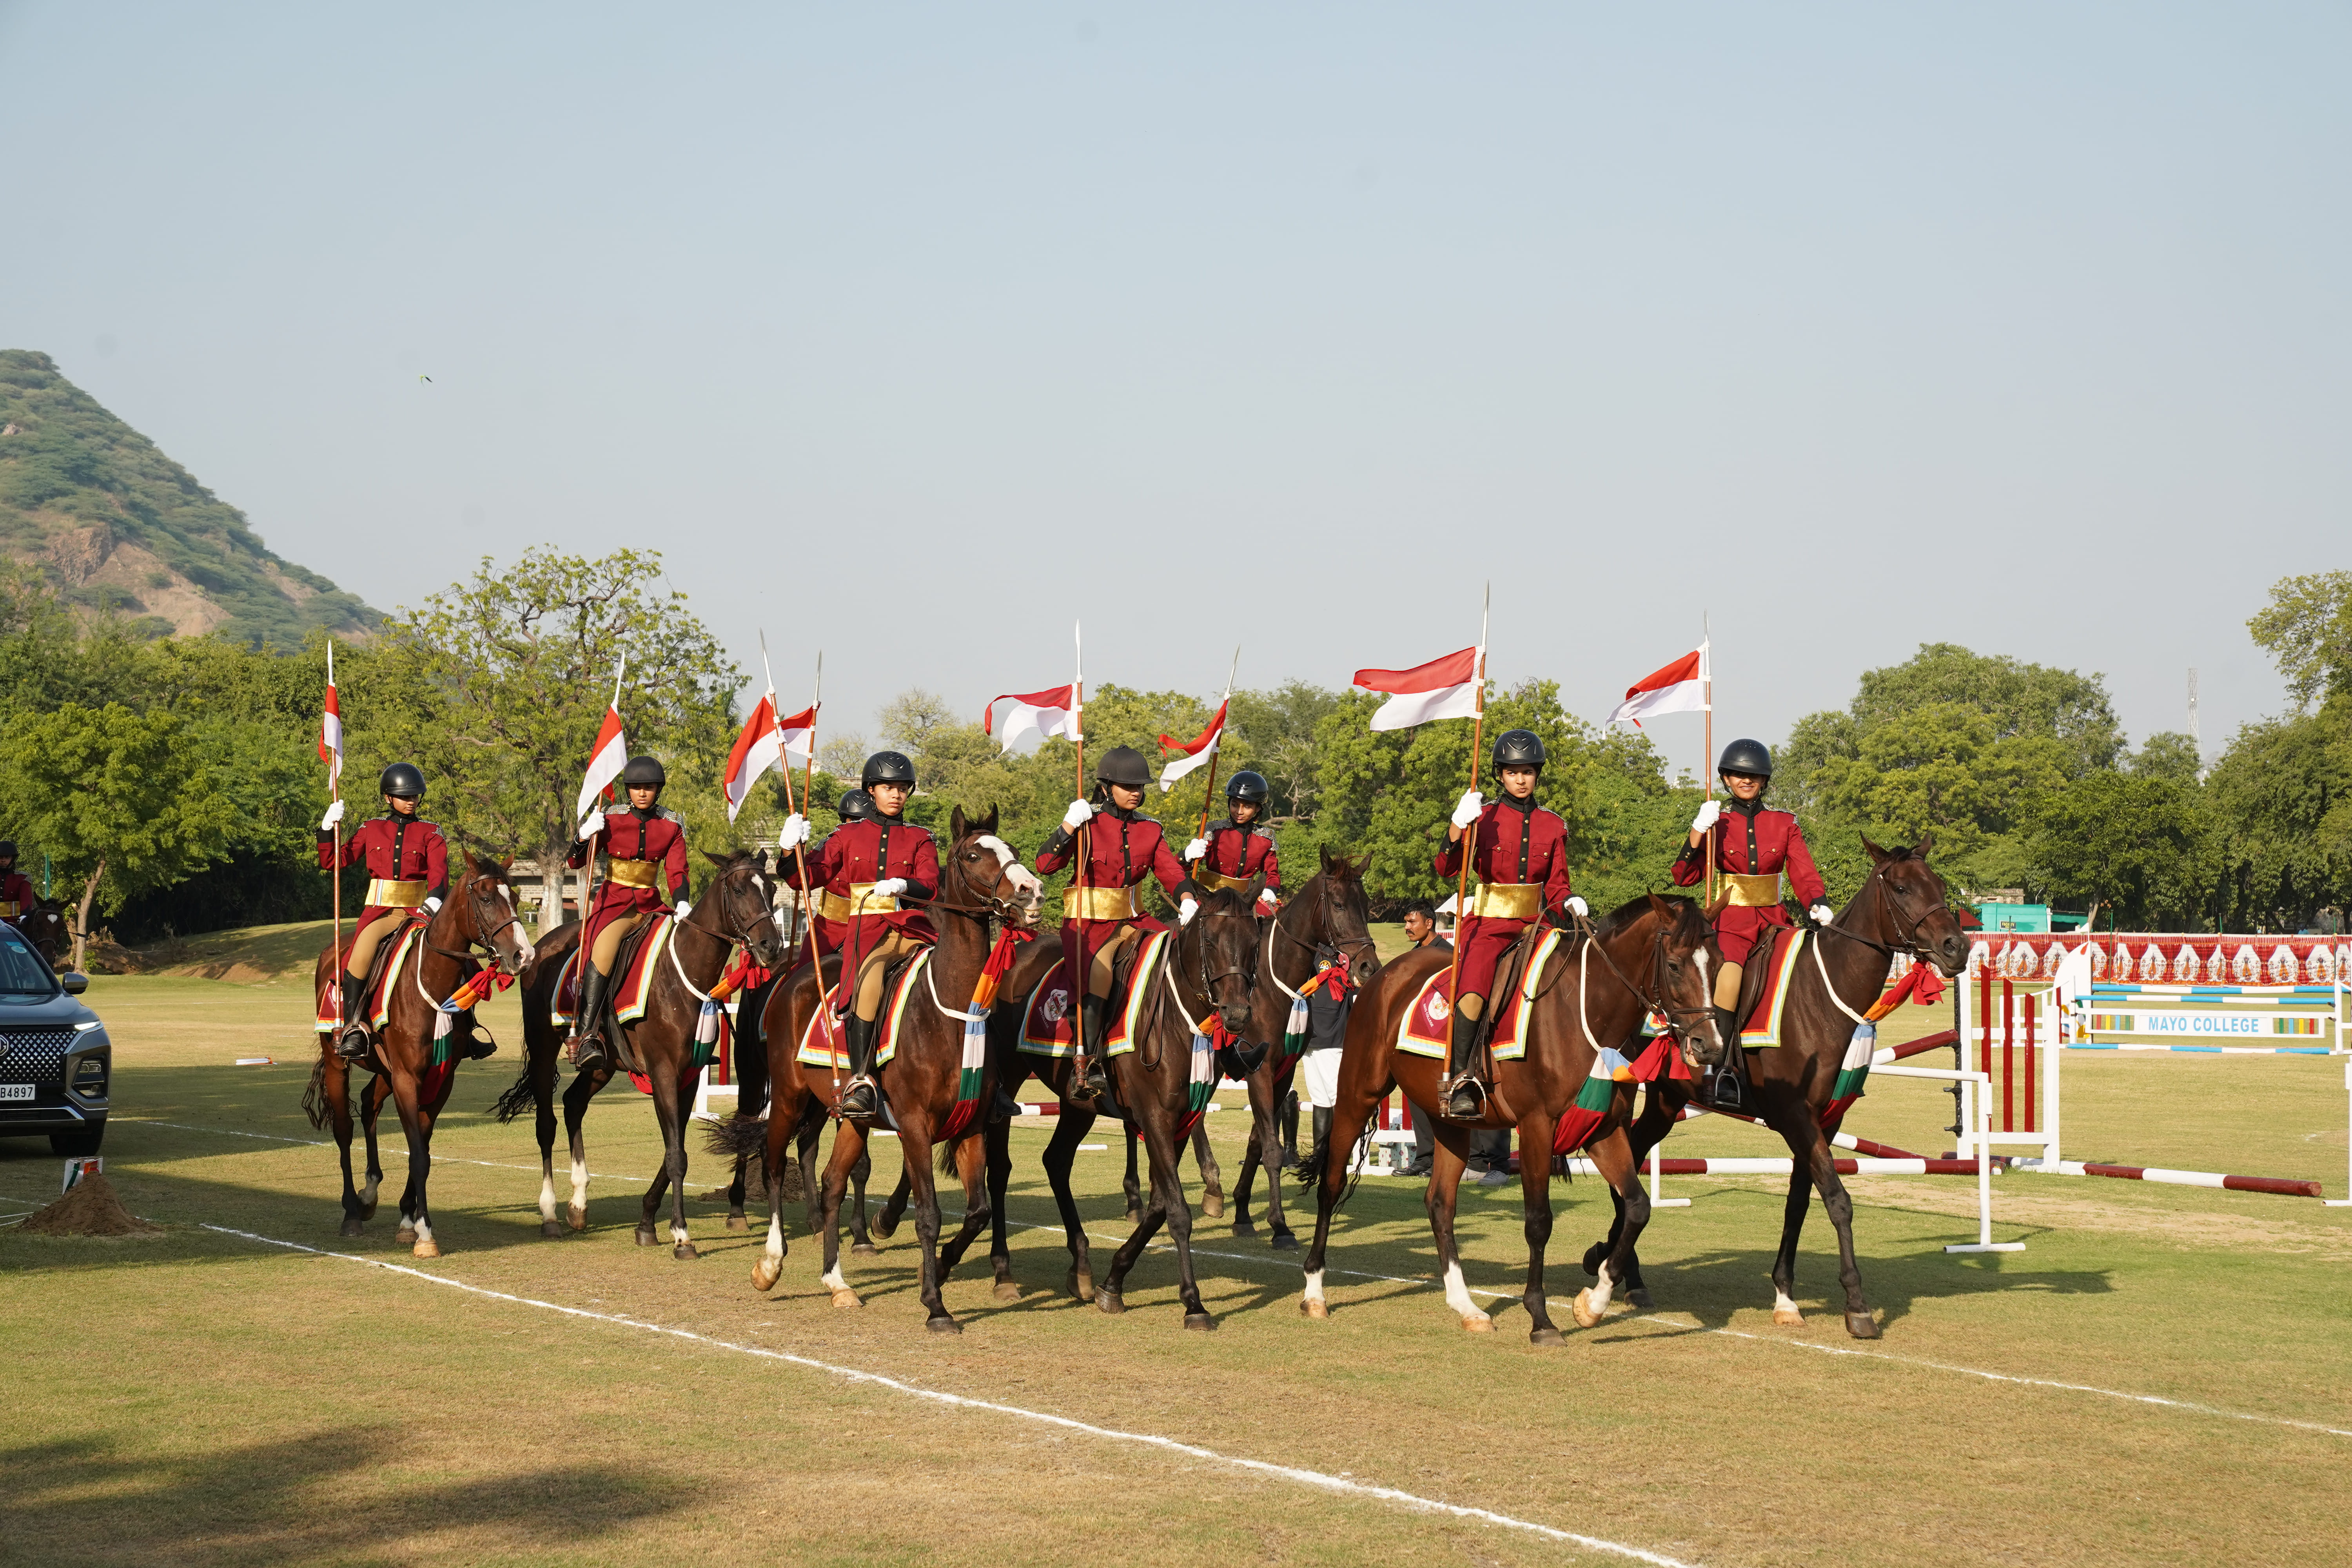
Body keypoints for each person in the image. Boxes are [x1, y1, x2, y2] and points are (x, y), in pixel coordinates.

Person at [1432, 729, 1587, 1120]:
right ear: (1500, 775)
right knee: (1474, 986)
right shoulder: (1481, 818)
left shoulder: (1553, 825)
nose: (1521, 780)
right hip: (1490, 924)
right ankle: (1464, 1077)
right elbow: (1445, 868)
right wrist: (1456, 827)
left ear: (1537, 776)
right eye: (1513, 772)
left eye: (1529, 772)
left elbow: (1557, 884)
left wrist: (1568, 900)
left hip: (1537, 924)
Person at [774, 753, 937, 1119]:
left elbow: (931, 886)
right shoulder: (845, 836)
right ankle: (862, 1080)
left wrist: (904, 884)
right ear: (872, 790)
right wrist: (789, 849)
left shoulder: (921, 838)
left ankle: (993, 1079)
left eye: (902, 788)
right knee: (868, 983)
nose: (896, 795)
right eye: (887, 788)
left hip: (911, 928)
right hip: (867, 933)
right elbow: (804, 878)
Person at [1671, 738, 1833, 1107]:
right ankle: (1724, 1069)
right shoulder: (1717, 821)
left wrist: (1818, 902)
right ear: (1726, 779)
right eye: (1739, 775)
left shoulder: (1784, 823)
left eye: (1754, 776)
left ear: (1764, 781)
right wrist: (1697, 832)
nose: (1746, 781)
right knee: (1729, 977)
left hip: (1775, 918)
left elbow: (1803, 871)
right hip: (1732, 921)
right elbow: (1684, 877)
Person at [1035, 745, 1196, 1102]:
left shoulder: (1151, 829)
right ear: (1107, 787)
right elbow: (1044, 865)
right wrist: (1067, 826)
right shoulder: (1085, 823)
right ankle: (1087, 1063)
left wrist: (1188, 900)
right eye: (1128, 786)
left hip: (1134, 919)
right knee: (1100, 975)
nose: (1136, 792)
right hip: (1089, 924)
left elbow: (1169, 870)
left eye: (1140, 786)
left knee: (1185, 955)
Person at [566, 756, 691, 1073]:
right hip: (616, 905)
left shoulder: (672, 824)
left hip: (653, 905)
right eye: (636, 788)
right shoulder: (609, 818)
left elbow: (677, 871)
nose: (642, 794)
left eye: (649, 788)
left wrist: (683, 903)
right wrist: (583, 837)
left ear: (658, 790)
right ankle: (588, 1036)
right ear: (628, 790)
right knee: (604, 953)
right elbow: (574, 863)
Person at [317, 764, 450, 1061]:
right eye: (404, 796)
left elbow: (440, 874)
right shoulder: (371, 828)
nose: (411, 801)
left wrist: (434, 901)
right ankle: (354, 1027)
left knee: (456, 958)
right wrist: (327, 828)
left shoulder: (431, 831)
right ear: (388, 798)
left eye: (415, 796)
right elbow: (335, 862)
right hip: (381, 913)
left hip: (420, 912)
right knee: (361, 954)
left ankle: (470, 1028)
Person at [1293, 947, 1357, 1180]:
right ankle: (1321, 1154)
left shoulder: (1342, 954)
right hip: (1310, 1036)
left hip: (1334, 1038)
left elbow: (1353, 993)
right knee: (1320, 1099)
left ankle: (1341, 1153)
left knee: (1337, 1097)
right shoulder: (1308, 952)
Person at [1183, 770, 1281, 916]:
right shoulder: (1214, 830)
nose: (1239, 812)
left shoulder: (1266, 838)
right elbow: (1182, 867)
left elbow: (1272, 874)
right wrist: (1187, 856)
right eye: (1235, 805)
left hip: (1247, 900)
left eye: (1247, 807)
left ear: (1258, 809)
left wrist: (1270, 889)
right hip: (1213, 897)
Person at [1397, 899, 1446, 1177]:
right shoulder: (1412, 957)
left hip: (1442, 1040)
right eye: (1405, 922)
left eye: (1411, 922)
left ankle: (1444, 1161)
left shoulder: (1448, 954)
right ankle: (1424, 1158)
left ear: (1429, 923)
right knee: (1416, 1098)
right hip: (1416, 1039)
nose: (1407, 927)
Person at [0, 842, 34, 931]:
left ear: (13, 859)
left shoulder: (22, 879)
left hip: (14, 924)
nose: (3, 860)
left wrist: (24, 917)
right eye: (1, 857)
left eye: (7, 857)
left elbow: (26, 901)